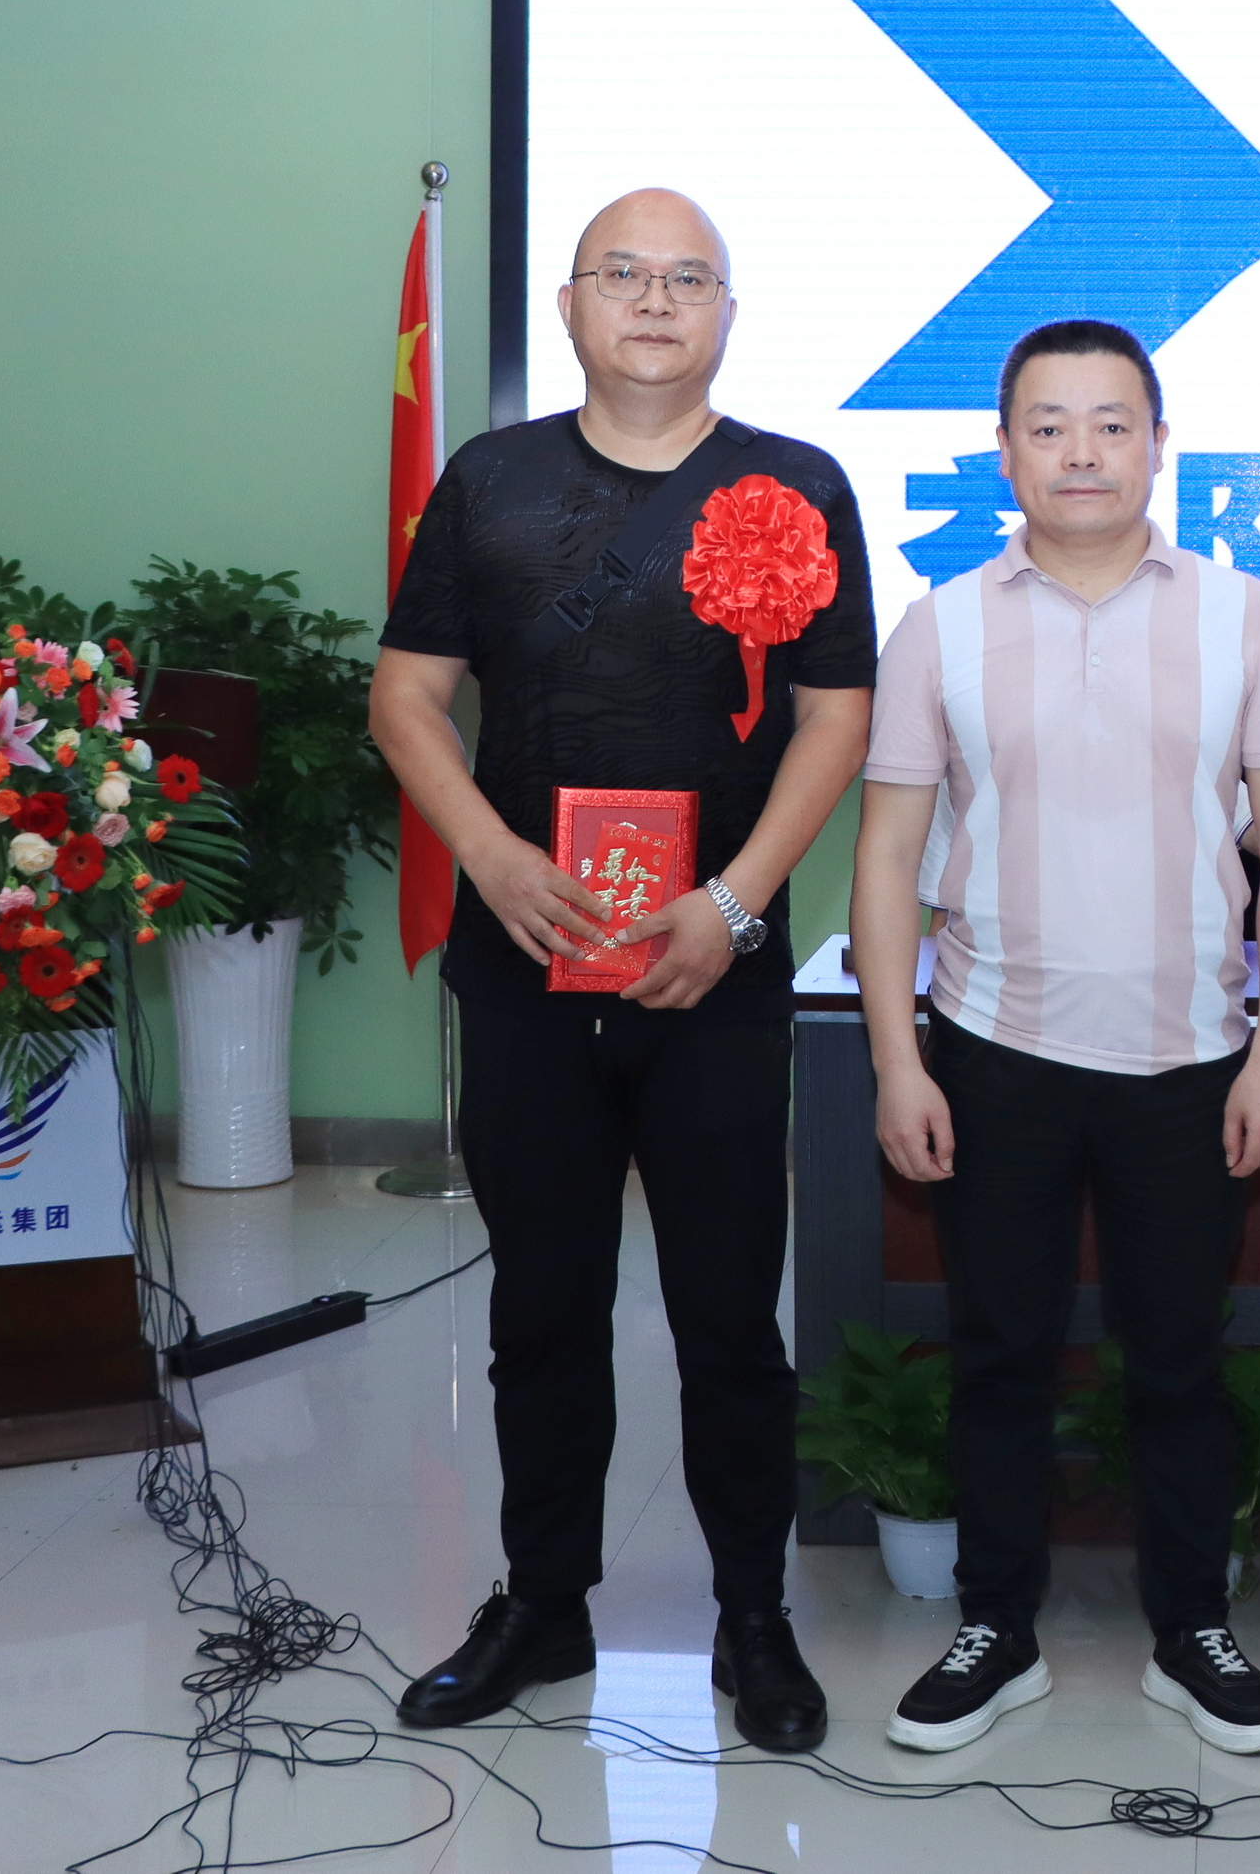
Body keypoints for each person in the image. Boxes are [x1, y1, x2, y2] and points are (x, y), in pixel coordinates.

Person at [370, 188, 875, 1749]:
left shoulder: (796, 484)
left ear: (727, 314)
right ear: (571, 307)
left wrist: (733, 903)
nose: (655, 301)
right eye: (623, 274)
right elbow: (405, 699)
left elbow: (837, 717)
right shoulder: (492, 480)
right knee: (542, 1305)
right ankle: (543, 1603)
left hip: (713, 968)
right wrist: (491, 856)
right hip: (529, 962)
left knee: (728, 1314)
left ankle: (752, 1617)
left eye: (688, 279)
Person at [849, 319, 1260, 1755]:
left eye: (1112, 424)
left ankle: (1193, 1632)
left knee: (1178, 1359)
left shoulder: (1245, 614)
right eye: (1047, 426)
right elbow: (887, 854)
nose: (1081, 452)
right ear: (1003, 453)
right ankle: (997, 1631)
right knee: (998, 1355)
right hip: (995, 1046)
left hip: (1192, 1056)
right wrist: (896, 1060)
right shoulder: (940, 624)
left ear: (1159, 446)